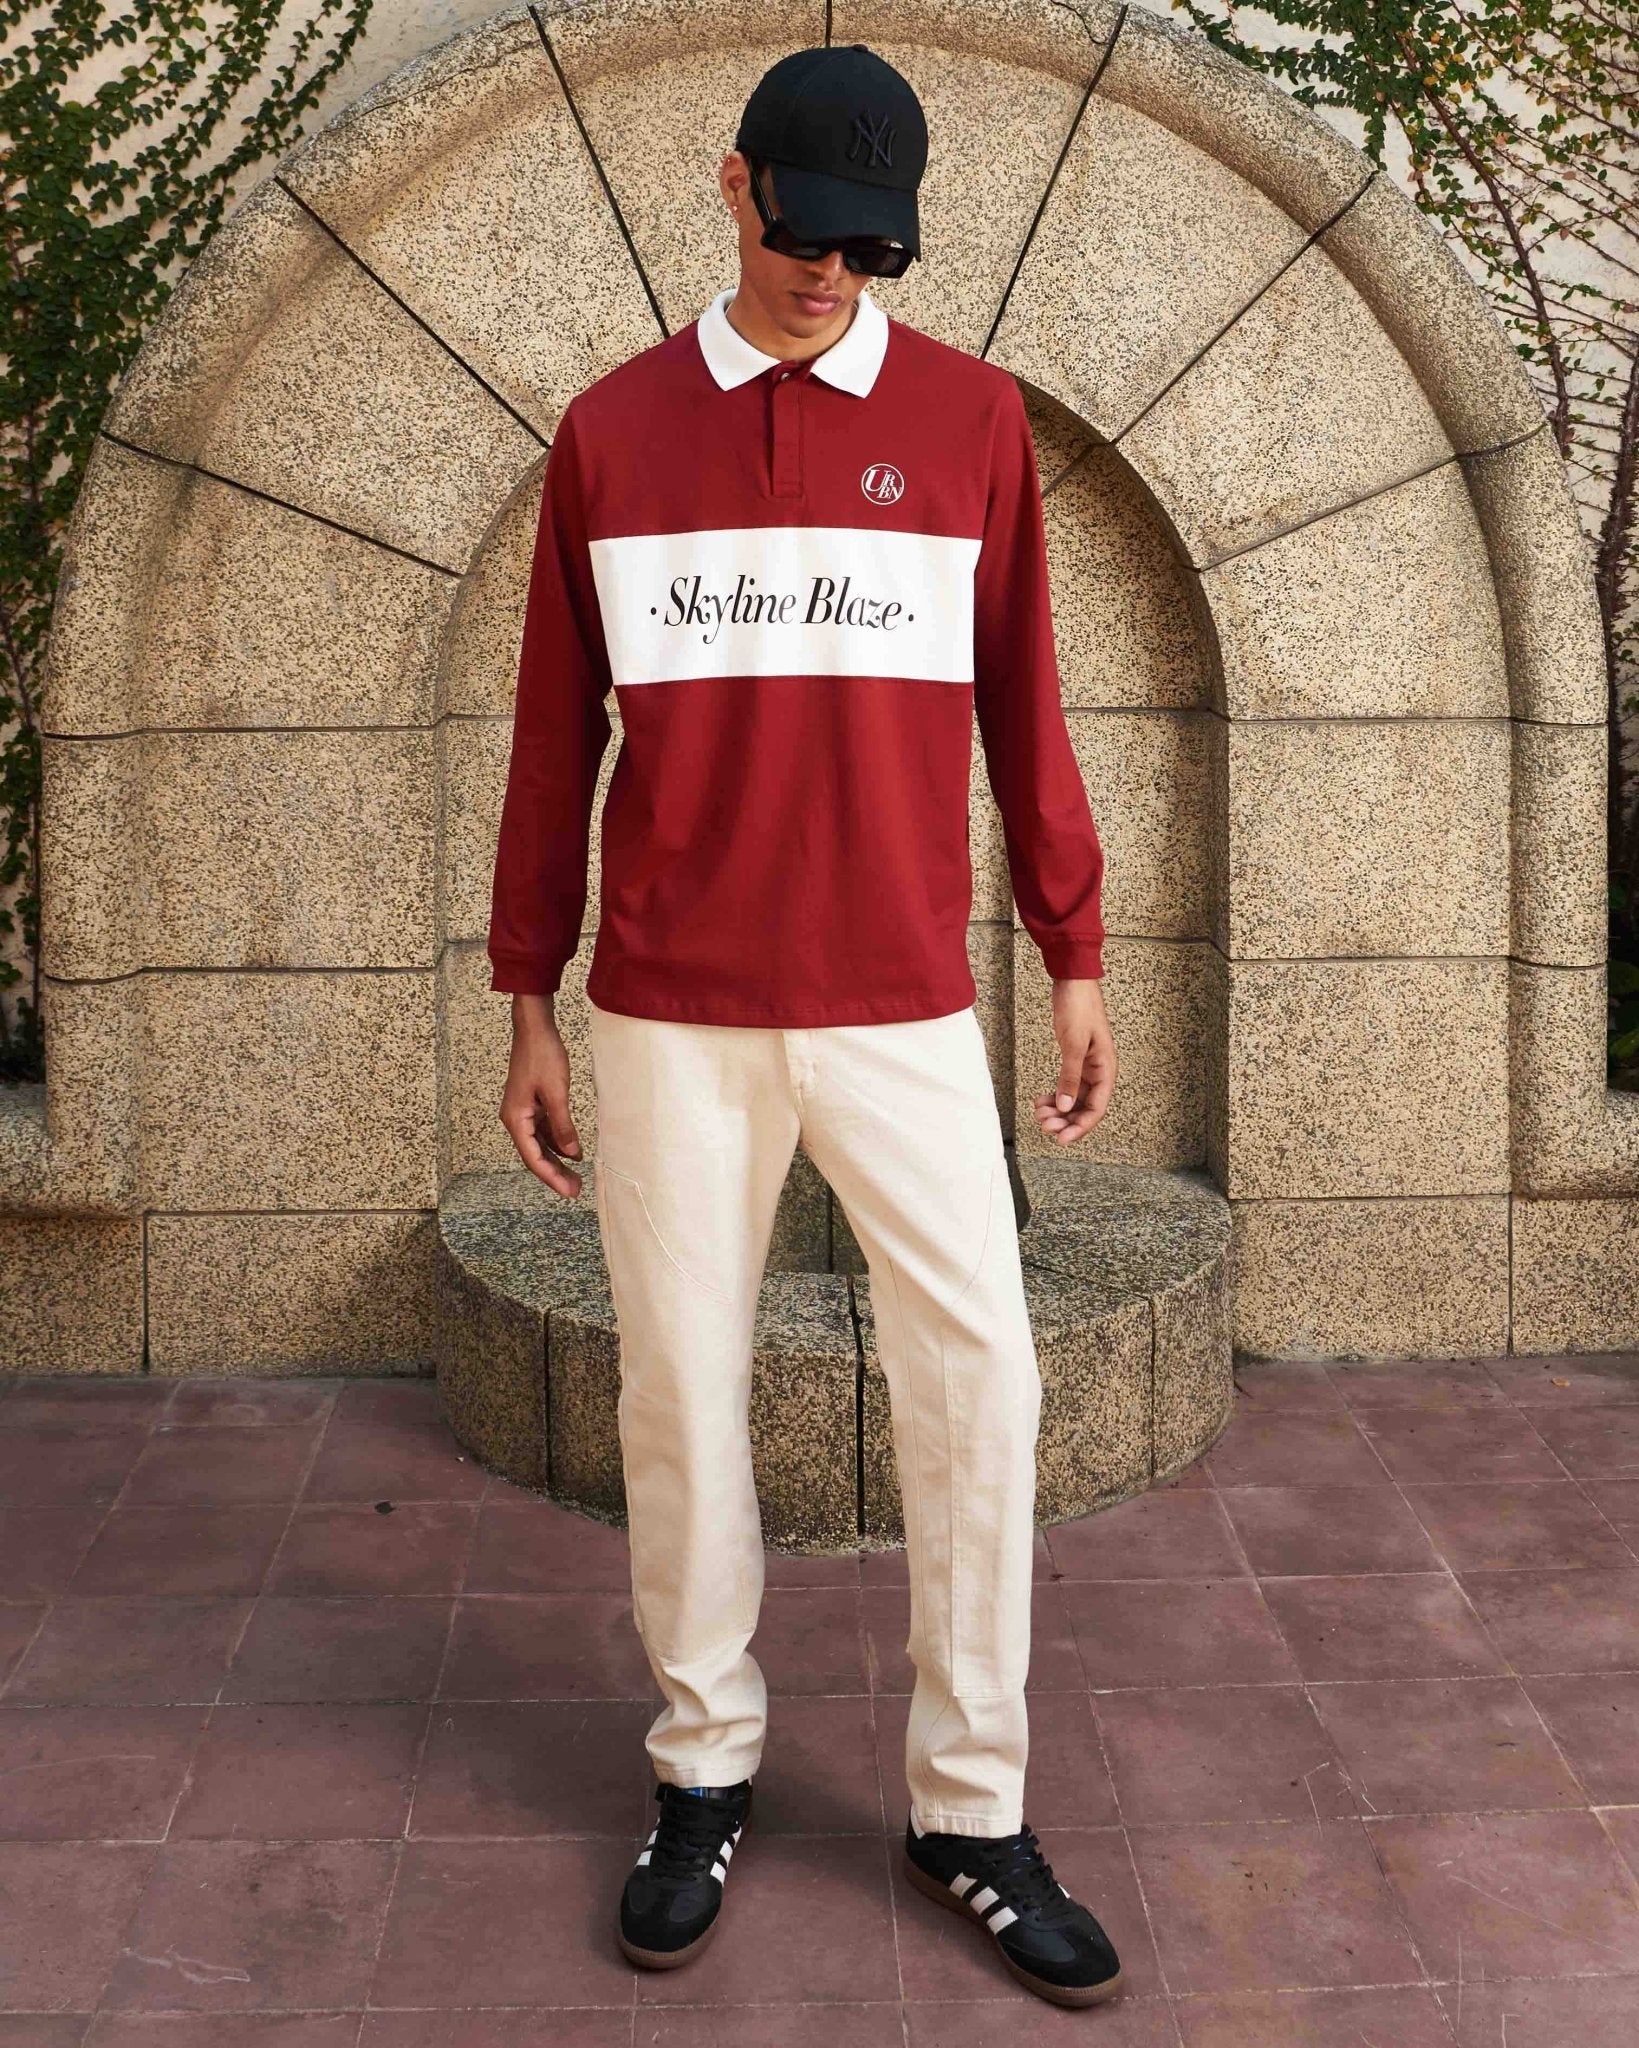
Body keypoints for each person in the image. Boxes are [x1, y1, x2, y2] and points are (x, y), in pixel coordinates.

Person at [488, 41, 1121, 2011]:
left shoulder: (970, 422)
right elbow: (551, 737)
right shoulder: (611, 434)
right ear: (735, 188)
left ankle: (970, 1806)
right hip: (669, 1007)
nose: (831, 274)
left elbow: (1023, 704)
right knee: (678, 1390)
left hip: (904, 1000)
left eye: (872, 248)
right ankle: (702, 1766)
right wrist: (525, 993)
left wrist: (1074, 947)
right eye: (806, 234)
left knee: (982, 1382)